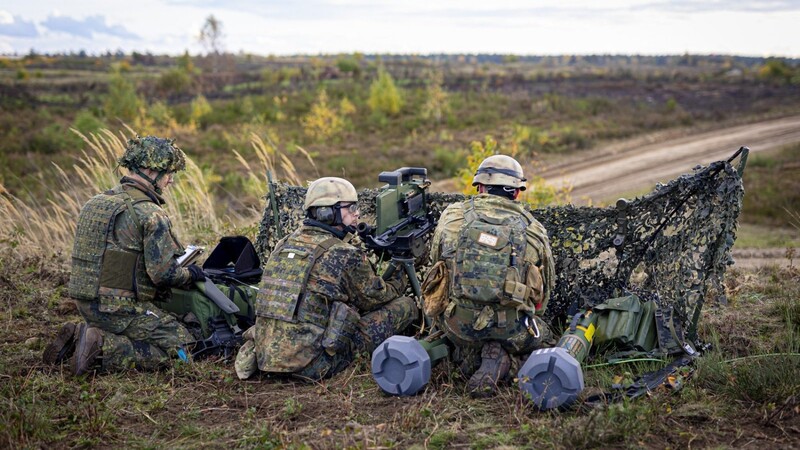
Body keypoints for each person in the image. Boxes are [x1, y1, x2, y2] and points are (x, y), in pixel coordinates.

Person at [43, 136, 206, 375]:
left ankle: (82, 335)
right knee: (186, 349)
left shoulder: (96, 202)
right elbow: (163, 275)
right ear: (151, 170)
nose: (171, 180)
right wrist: (190, 274)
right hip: (120, 310)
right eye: (169, 172)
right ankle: (103, 350)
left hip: (86, 303)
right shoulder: (150, 213)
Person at [236, 177, 418, 381]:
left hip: (266, 357)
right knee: (406, 305)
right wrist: (401, 273)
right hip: (312, 365)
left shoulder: (283, 244)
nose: (356, 213)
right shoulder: (343, 253)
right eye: (350, 208)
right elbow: (375, 298)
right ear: (327, 213)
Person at [428, 154, 556, 397]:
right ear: (517, 192)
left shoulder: (452, 217)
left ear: (481, 188)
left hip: (458, 325)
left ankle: (467, 358)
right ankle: (509, 365)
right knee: (546, 336)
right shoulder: (533, 230)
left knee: (458, 335)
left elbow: (436, 267)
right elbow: (543, 296)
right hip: (510, 330)